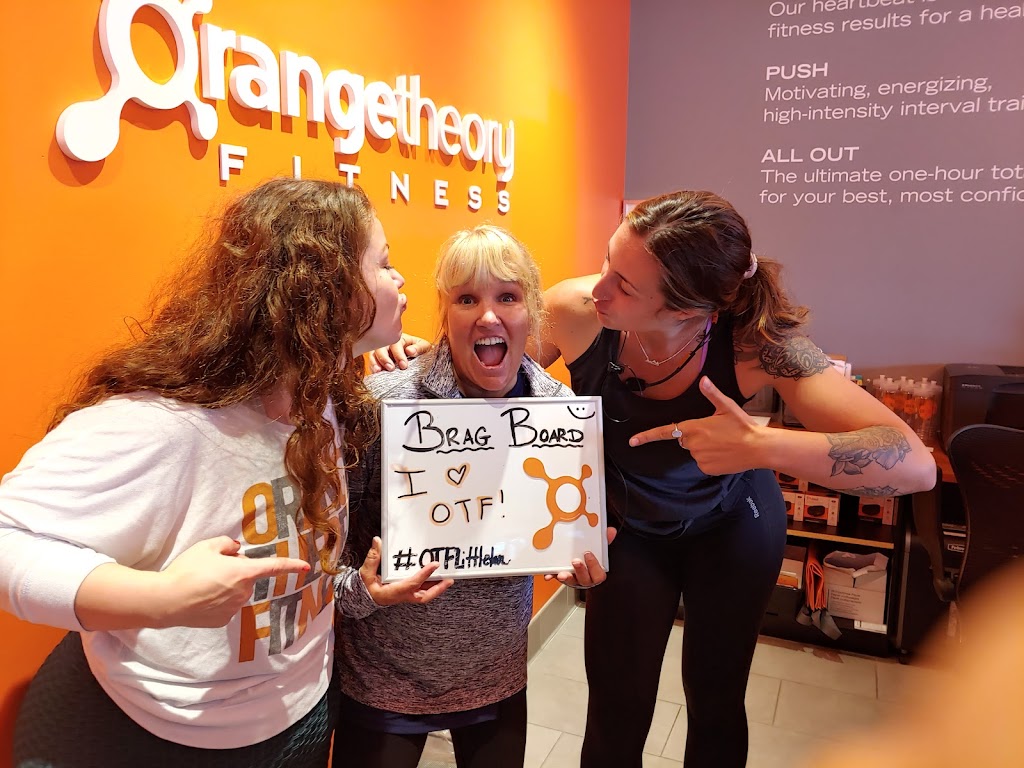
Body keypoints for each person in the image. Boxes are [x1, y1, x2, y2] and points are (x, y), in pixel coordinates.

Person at [369, 190, 937, 767]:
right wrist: (423, 356)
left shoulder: (755, 345)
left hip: (733, 526)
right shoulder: (575, 312)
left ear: (688, 310)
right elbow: (491, 375)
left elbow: (915, 464)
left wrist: (759, 445)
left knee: (716, 701)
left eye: (625, 285)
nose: (598, 288)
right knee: (616, 708)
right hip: (631, 530)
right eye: (607, 262)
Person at [0, 178, 410, 768]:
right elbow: (10, 540)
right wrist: (162, 598)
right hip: (161, 733)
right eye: (385, 264)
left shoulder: (324, 390)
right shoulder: (169, 424)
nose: (400, 279)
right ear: (325, 288)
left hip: (301, 715)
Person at [332, 224, 610, 768]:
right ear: (444, 314)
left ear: (532, 311)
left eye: (507, 296)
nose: (488, 316)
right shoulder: (383, 403)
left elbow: (571, 540)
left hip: (496, 677)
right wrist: (363, 594)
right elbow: (329, 559)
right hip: (384, 678)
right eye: (466, 299)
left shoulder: (560, 412)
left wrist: (584, 565)